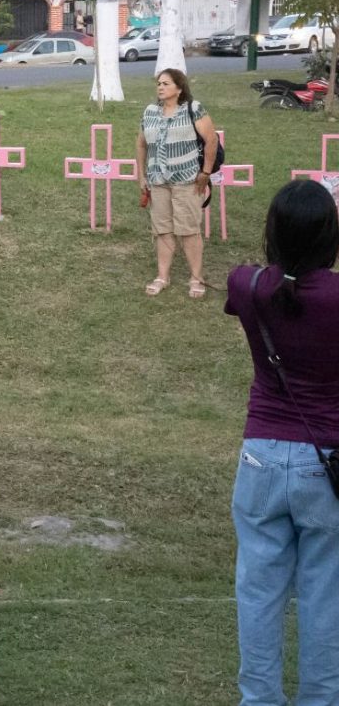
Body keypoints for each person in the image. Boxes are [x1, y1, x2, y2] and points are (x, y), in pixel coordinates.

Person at [224, 180, 339, 706]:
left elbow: (262, 280)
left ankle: (260, 699)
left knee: (258, 592)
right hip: (327, 461)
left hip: (262, 456)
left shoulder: (247, 286)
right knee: (325, 596)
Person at [136, 68, 217, 299]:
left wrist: (206, 172)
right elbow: (142, 144)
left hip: (187, 181)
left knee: (189, 229)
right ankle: (163, 276)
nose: (160, 87)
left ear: (179, 88)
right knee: (162, 229)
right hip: (158, 181)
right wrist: (142, 176)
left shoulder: (193, 108)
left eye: (166, 84)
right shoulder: (150, 112)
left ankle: (196, 277)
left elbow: (211, 139)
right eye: (158, 83)